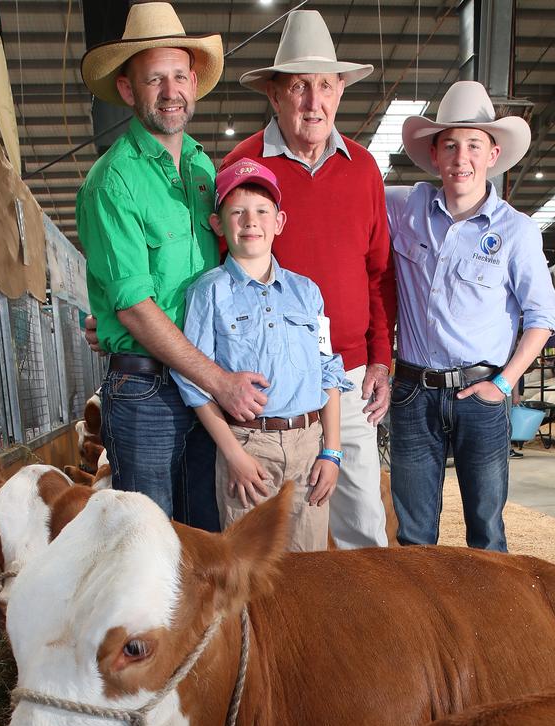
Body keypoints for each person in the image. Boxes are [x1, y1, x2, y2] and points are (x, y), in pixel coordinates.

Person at [76, 2, 269, 528]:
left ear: (194, 82)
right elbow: (136, 309)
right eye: (154, 78)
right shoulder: (112, 181)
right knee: (153, 545)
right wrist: (221, 381)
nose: (170, 91)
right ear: (127, 89)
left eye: (179, 76)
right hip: (146, 391)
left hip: (202, 388)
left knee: (207, 537)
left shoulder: (206, 170)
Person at [220, 10, 397, 549]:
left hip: (345, 376)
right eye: (298, 86)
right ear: (274, 94)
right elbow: (216, 275)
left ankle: (362, 636)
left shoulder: (364, 168)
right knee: (276, 539)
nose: (313, 101)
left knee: (363, 522)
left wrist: (381, 360)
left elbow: (378, 273)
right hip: (272, 389)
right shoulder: (243, 165)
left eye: (325, 85)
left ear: (341, 90)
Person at [386, 80, 555, 551]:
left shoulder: (517, 232)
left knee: (486, 531)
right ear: (435, 154)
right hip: (411, 394)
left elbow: (543, 316)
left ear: (492, 154)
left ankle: (490, 624)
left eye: (473, 145)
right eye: (451, 145)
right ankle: (423, 625)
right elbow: (348, 206)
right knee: (414, 536)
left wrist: (502, 385)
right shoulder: (404, 206)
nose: (461, 157)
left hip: (479, 398)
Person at [172, 159, 352, 551]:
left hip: (309, 450)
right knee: (249, 572)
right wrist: (233, 454)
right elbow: (193, 382)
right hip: (249, 450)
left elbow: (328, 372)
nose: (250, 221)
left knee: (308, 573)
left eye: (261, 211)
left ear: (279, 222)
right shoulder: (208, 292)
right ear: (218, 225)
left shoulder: (307, 292)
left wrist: (332, 452)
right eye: (237, 212)